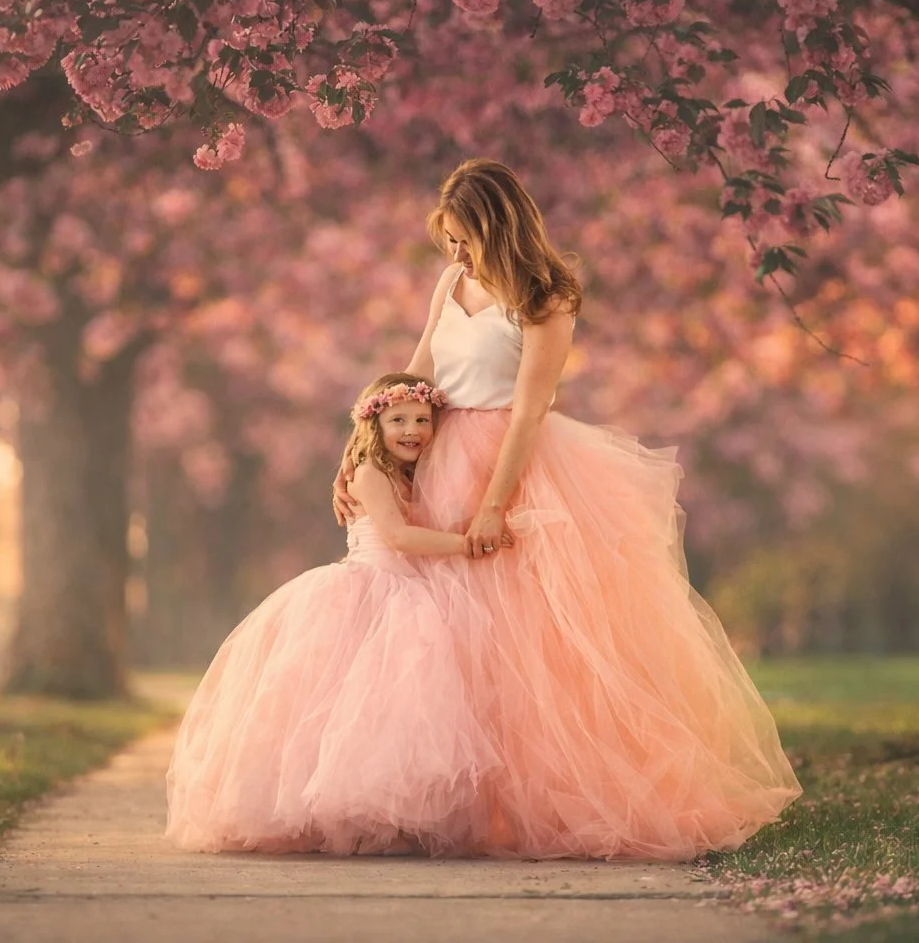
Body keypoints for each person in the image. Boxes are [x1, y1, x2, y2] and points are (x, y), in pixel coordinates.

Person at [334, 159, 802, 860]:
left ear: (498, 228)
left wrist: (495, 502)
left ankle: (529, 801)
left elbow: (530, 406)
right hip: (435, 450)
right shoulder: (449, 281)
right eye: (449, 241)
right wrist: (364, 449)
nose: (456, 254)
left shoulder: (547, 297)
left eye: (465, 239)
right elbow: (419, 372)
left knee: (525, 636)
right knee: (441, 634)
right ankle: (451, 798)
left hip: (512, 458)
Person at [168, 373, 506, 856]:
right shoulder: (369, 473)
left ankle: (393, 812)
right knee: (340, 707)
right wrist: (468, 545)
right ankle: (334, 810)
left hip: (410, 592)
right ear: (373, 425)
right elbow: (399, 538)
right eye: (398, 420)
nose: (412, 430)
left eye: (421, 420)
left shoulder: (416, 474)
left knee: (396, 710)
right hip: (370, 590)